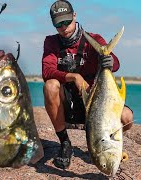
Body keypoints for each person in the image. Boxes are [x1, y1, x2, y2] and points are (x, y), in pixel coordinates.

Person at [41, 0, 134, 170]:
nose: (64, 27)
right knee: (50, 86)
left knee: (127, 118)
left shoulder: (93, 40)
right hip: (69, 106)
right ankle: (65, 144)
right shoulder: (51, 42)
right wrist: (74, 76)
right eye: (58, 24)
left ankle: (108, 142)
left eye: (66, 22)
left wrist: (109, 61)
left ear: (74, 16)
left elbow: (117, 64)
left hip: (96, 104)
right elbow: (47, 72)